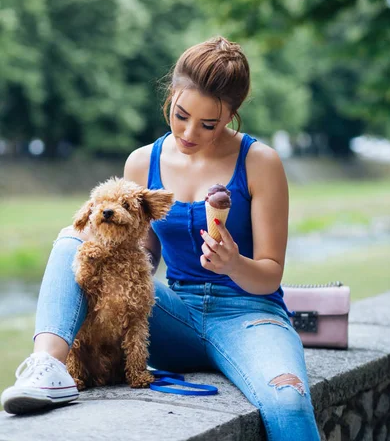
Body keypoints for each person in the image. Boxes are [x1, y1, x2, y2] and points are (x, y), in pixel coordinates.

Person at [1, 37, 320, 440]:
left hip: (250, 316)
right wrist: (106, 259)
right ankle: (47, 368)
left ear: (231, 116)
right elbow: (143, 257)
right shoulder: (142, 161)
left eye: (209, 124)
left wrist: (234, 263)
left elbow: (271, 275)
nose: (189, 133)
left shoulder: (260, 162)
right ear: (171, 95)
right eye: (181, 114)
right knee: (74, 238)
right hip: (172, 315)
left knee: (287, 400)